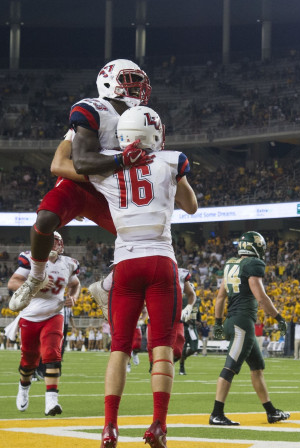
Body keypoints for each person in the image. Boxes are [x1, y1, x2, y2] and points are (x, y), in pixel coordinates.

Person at [9, 59, 153, 313]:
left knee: (144, 242)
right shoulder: (95, 109)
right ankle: (36, 276)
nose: (138, 88)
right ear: (109, 82)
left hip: (114, 192)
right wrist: (119, 161)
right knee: (45, 218)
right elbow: (81, 162)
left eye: (139, 83)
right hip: (81, 185)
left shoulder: (142, 118)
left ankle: (106, 286)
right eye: (130, 81)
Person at [94, 105, 198, 448]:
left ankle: (110, 427)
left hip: (125, 262)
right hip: (160, 260)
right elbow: (191, 205)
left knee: (119, 348)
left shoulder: (105, 165)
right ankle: (158, 426)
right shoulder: (171, 161)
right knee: (162, 347)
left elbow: (71, 165)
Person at [209, 231, 290, 427]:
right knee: (230, 367)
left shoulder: (231, 264)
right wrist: (278, 317)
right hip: (241, 324)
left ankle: (271, 412)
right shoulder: (253, 265)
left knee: (257, 368)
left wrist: (218, 323)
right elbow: (261, 297)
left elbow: (220, 297)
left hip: (233, 322)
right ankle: (216, 413)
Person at [7, 231, 80, 417]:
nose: (53, 245)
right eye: (50, 241)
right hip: (30, 315)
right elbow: (13, 283)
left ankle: (51, 401)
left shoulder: (69, 264)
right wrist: (35, 285)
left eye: (56, 242)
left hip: (55, 314)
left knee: (52, 355)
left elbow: (75, 284)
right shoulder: (31, 259)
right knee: (28, 361)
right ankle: (23, 387)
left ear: (61, 244)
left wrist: (73, 297)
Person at [178, 266, 201, 375]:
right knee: (182, 348)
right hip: (184, 326)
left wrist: (198, 321)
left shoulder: (197, 301)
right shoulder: (182, 300)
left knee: (194, 348)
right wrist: (185, 320)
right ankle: (181, 367)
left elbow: (198, 314)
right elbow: (180, 314)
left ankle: (182, 359)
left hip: (193, 327)